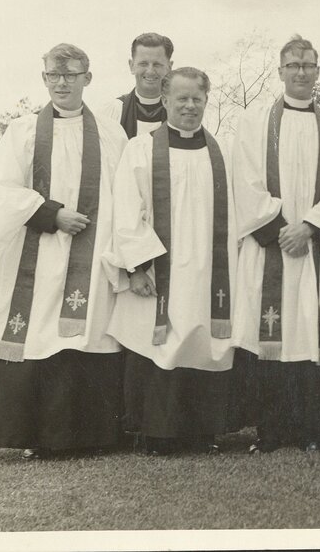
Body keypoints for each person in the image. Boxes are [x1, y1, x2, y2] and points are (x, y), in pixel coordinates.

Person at [0, 43, 127, 459]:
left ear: (87, 79)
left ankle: (86, 436)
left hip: (91, 257)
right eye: (53, 76)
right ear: (44, 79)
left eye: (71, 75)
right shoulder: (22, 131)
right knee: (37, 335)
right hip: (35, 252)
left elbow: (126, 193)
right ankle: (32, 436)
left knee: (81, 336)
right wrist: (50, 213)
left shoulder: (112, 134)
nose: (62, 83)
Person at [232, 36, 320, 453]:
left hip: (318, 251)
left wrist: (308, 227)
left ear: (318, 71)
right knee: (273, 336)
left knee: (319, 334)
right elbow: (245, 181)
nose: (302, 72)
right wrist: (278, 229)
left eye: (309, 65)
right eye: (294, 65)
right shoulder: (254, 123)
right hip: (271, 247)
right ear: (280, 71)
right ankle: (273, 431)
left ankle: (318, 430)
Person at [105, 67, 238, 455]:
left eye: (197, 99)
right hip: (160, 271)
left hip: (211, 270)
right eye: (181, 99)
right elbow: (127, 211)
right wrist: (137, 266)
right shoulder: (141, 149)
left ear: (206, 102)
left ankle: (204, 432)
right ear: (164, 101)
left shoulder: (223, 151)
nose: (189, 106)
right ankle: (157, 433)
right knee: (156, 343)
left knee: (205, 343)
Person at [101, 32, 174, 138]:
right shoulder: (112, 113)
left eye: (157, 64)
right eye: (143, 64)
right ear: (131, 66)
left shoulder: (180, 111)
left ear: (169, 67)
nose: (150, 71)